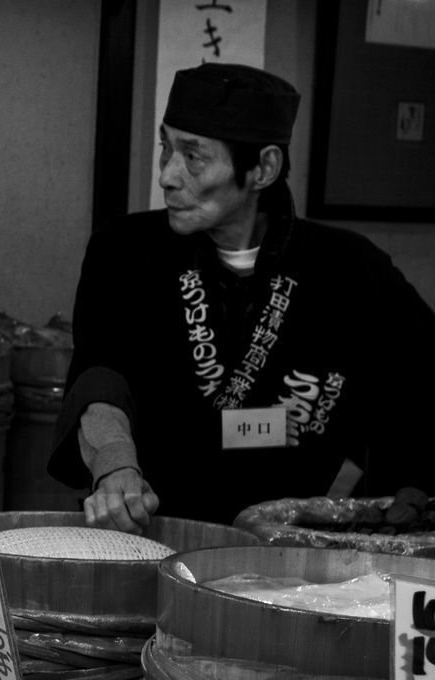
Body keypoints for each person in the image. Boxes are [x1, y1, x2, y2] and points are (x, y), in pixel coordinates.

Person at [46, 62, 435, 531]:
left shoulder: (351, 267)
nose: (168, 175)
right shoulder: (125, 250)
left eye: (194, 156)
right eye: (165, 147)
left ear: (263, 167)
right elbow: (99, 374)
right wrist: (113, 463)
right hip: (155, 526)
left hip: (297, 549)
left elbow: (418, 386)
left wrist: (410, 490)